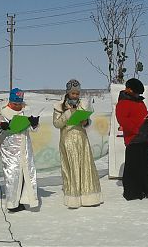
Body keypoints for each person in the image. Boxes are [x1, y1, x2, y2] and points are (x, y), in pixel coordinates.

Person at [53, 79, 102, 209]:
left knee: (85, 166)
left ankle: (88, 197)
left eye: (77, 93)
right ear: (68, 93)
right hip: (68, 138)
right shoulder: (59, 106)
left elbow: (87, 121)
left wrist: (85, 121)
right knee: (72, 165)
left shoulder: (83, 104)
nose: (75, 96)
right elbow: (57, 124)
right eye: (73, 93)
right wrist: (68, 114)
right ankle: (73, 197)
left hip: (81, 138)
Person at [0, 88, 39, 212]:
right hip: (9, 148)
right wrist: (0, 126)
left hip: (24, 146)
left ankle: (25, 200)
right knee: (12, 175)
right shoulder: (2, 112)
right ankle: (12, 203)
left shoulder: (25, 112)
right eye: (15, 104)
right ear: (10, 101)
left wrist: (34, 123)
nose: (17, 106)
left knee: (26, 173)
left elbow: (34, 129)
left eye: (19, 104)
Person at [115, 78, 148, 201]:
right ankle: (133, 193)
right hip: (134, 138)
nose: (137, 95)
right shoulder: (122, 103)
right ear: (128, 89)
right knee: (133, 167)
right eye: (136, 92)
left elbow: (145, 115)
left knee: (146, 166)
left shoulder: (140, 102)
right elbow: (122, 120)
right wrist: (136, 129)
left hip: (144, 137)